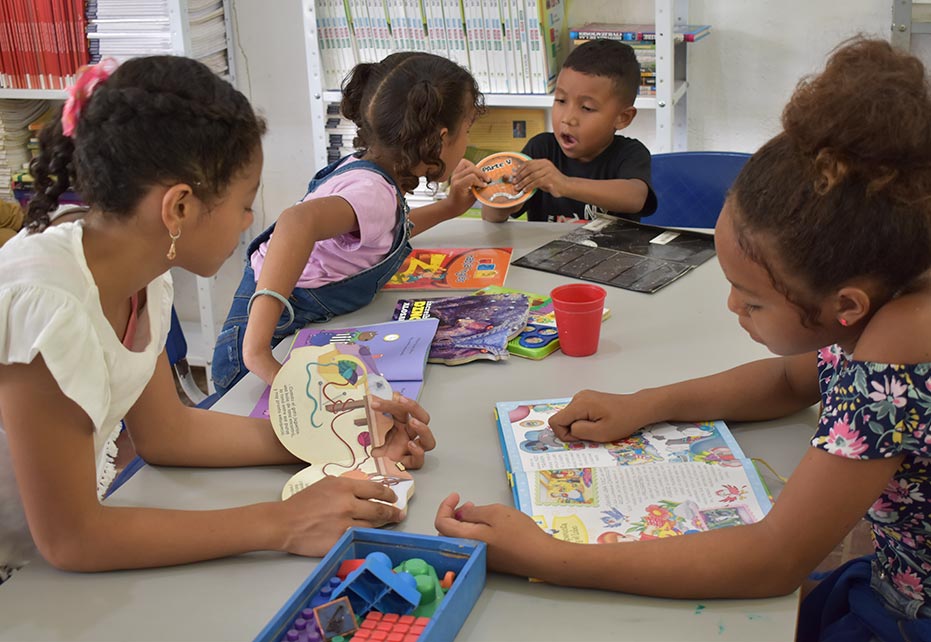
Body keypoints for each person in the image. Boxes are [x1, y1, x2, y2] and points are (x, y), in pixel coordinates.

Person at [437, 37, 931, 641]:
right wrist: (646, 404)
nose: (732, 307)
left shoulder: (899, 352)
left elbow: (772, 560)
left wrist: (549, 557)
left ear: (845, 306)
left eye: (751, 299)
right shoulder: (893, 285)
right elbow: (791, 379)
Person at [0, 56, 436, 583]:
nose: (252, 222)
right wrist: (282, 524)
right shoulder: (47, 305)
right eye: (246, 204)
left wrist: (344, 439)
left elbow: (167, 434)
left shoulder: (138, 267)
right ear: (179, 208)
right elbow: (73, 538)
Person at [211, 51, 487, 394]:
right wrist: (257, 352)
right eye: (467, 131)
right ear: (441, 138)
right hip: (267, 338)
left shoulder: (369, 173)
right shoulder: (375, 193)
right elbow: (297, 222)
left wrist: (448, 208)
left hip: (274, 325)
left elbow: (379, 232)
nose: (467, 143)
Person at [481, 39, 657, 224]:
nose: (568, 118)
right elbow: (491, 217)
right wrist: (502, 198)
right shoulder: (541, 149)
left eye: (587, 108)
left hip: (613, 252)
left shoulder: (630, 153)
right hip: (547, 253)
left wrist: (564, 184)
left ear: (623, 117)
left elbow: (635, 198)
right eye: (561, 101)